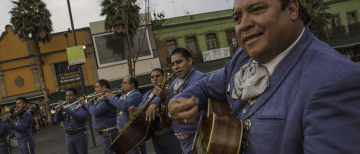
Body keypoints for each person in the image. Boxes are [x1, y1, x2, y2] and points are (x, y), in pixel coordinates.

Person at [168, 0, 360, 153]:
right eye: (237, 18)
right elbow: (206, 86)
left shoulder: (336, 80)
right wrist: (178, 101)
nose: (243, 24)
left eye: (257, 9)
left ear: (292, 8)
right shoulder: (242, 57)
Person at [153, 48, 206, 154]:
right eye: (172, 64)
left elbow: (191, 104)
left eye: (179, 62)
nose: (175, 67)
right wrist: (156, 103)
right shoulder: (175, 82)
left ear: (190, 61)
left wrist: (168, 95)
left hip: (198, 139)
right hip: (183, 142)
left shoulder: (201, 78)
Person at [129, 68, 182, 154]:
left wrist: (155, 105)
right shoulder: (147, 94)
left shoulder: (169, 90)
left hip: (171, 136)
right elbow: (141, 107)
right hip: (155, 137)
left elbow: (168, 101)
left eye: (157, 76)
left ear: (164, 77)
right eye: (152, 77)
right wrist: (134, 112)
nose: (155, 79)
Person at [104, 75, 145, 154]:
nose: (122, 85)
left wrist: (111, 97)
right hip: (123, 132)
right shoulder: (123, 96)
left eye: (125, 83)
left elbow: (125, 105)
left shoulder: (136, 95)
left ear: (132, 85)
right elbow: (114, 108)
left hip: (133, 133)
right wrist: (106, 100)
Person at [82, 79, 118, 154]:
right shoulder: (100, 99)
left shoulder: (106, 99)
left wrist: (86, 102)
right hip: (104, 133)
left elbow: (95, 112)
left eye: (97, 87)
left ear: (104, 87)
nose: (95, 89)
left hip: (108, 132)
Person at [53, 88, 88, 154]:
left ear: (75, 96)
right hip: (68, 136)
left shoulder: (81, 104)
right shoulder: (64, 105)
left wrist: (67, 110)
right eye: (67, 96)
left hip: (80, 134)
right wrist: (58, 110)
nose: (68, 98)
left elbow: (80, 117)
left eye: (70, 95)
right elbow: (56, 120)